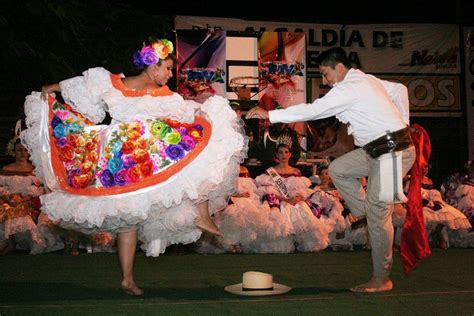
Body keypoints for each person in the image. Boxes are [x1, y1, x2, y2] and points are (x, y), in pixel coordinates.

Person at [21, 37, 246, 295]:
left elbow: (187, 117)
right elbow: (83, 85)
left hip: (143, 157)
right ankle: (127, 278)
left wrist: (210, 116)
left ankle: (201, 215)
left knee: (199, 145)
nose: (171, 74)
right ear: (153, 67)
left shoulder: (167, 98)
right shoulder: (114, 84)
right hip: (119, 158)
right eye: (168, 68)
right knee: (128, 216)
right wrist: (49, 89)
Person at [246, 47, 416, 292]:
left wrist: (270, 115)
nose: (324, 80)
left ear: (339, 67)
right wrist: (403, 121)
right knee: (339, 169)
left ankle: (382, 278)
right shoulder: (365, 79)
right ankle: (363, 209)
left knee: (379, 218)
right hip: (374, 151)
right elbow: (400, 90)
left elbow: (314, 110)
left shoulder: (350, 88)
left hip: (393, 154)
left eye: (325, 74)